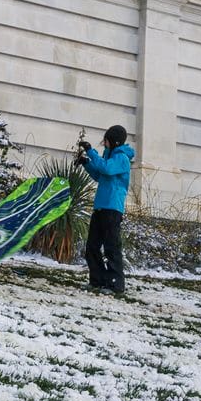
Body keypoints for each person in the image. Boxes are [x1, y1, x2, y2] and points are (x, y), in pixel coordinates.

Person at [75, 124, 134, 296]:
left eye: (106, 140)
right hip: (100, 207)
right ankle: (98, 280)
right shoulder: (109, 156)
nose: (104, 143)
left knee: (111, 247)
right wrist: (86, 162)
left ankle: (116, 284)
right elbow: (99, 175)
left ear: (114, 141)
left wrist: (91, 152)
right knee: (92, 246)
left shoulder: (121, 158)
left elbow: (107, 168)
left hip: (112, 208)